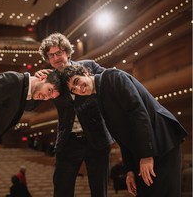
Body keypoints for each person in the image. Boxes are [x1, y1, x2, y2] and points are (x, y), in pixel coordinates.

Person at [61, 65, 188, 197]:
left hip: (161, 141)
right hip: (143, 149)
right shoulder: (99, 97)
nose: (77, 89)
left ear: (85, 72)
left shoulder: (112, 76)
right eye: (73, 90)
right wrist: (130, 170)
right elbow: (122, 135)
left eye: (76, 81)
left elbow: (138, 113)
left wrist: (146, 155)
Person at [29, 32, 114, 197]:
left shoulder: (89, 66)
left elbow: (111, 82)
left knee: (99, 191)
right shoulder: (51, 78)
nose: (56, 58)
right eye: (51, 55)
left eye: (59, 53)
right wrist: (36, 82)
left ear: (67, 52)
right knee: (61, 190)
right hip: (68, 141)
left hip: (97, 139)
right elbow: (31, 105)